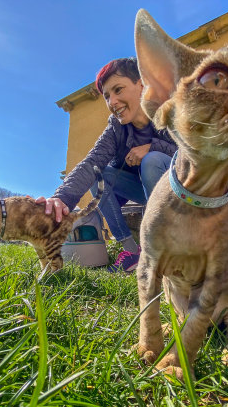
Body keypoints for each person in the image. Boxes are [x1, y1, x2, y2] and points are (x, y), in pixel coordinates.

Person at [36, 57, 177, 272]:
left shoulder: (168, 110)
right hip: (144, 190)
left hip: (180, 190)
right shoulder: (115, 128)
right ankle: (132, 251)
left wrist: (152, 146)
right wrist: (60, 198)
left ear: (141, 84)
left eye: (118, 90)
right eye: (107, 96)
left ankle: (161, 246)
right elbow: (91, 162)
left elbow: (193, 154)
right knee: (98, 173)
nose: (112, 102)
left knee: (152, 160)